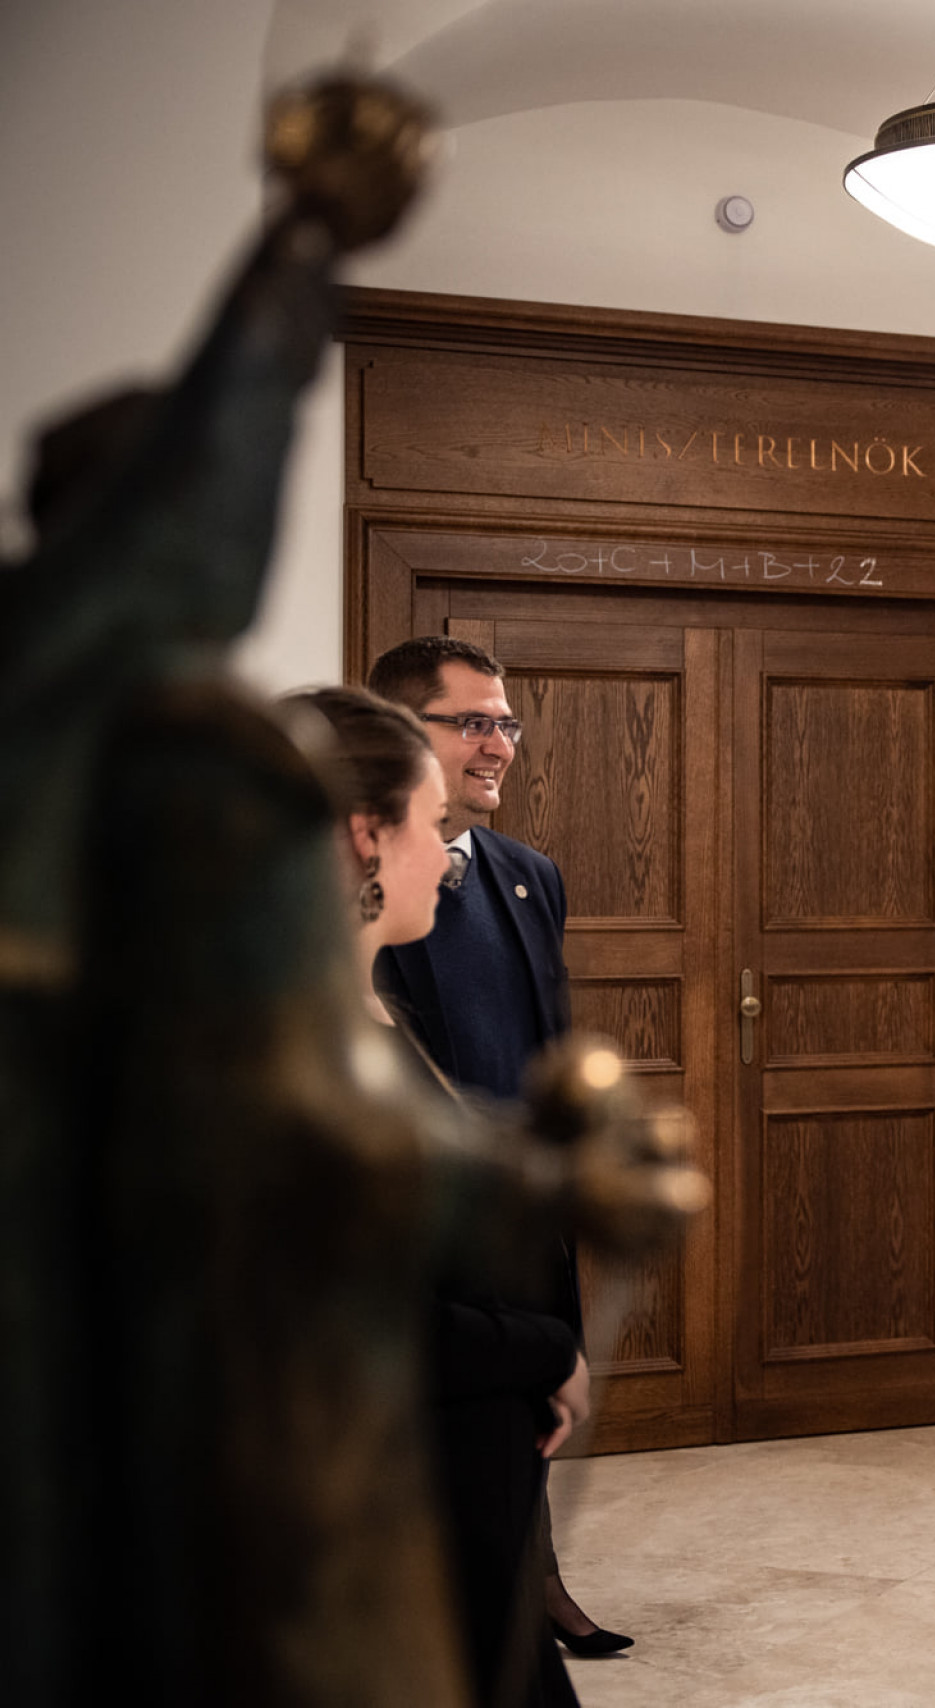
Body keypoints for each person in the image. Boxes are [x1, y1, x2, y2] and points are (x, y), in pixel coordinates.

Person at [287, 684, 588, 1708]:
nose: (441, 855)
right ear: (364, 837)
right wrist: (542, 1348)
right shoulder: (304, 1053)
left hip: (467, 1443)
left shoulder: (363, 1005)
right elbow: (367, 1311)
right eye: (423, 824)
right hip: (401, 1481)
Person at [366, 636, 631, 1659]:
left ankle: (540, 1578)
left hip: (524, 1198)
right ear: (402, 731)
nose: (499, 744)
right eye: (473, 721)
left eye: (507, 722)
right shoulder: (376, 887)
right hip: (434, 1205)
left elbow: (545, 1040)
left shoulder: (530, 877)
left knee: (529, 1411)